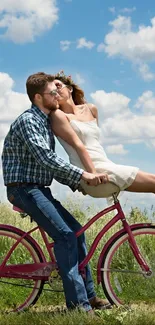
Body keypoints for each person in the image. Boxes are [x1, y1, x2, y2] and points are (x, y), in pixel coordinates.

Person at [1, 72, 111, 313]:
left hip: (38, 188)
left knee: (77, 234)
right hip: (24, 189)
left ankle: (89, 296)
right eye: (53, 92)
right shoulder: (29, 120)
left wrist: (78, 183)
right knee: (66, 237)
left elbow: (48, 164)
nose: (57, 96)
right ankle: (78, 307)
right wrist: (83, 175)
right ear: (39, 97)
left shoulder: (44, 121)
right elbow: (46, 158)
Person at [50, 71, 155, 198]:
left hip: (105, 164)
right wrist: (92, 173)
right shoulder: (58, 115)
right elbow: (78, 146)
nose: (55, 91)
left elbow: (95, 143)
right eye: (52, 90)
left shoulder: (91, 109)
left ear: (70, 89)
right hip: (89, 170)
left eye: (58, 86)